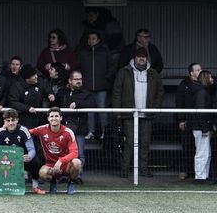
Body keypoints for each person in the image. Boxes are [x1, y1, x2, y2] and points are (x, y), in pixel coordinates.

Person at [112, 47, 164, 178]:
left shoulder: (153, 73)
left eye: (144, 57)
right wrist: (118, 112)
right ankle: (125, 171)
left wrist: (155, 107)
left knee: (145, 143)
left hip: (147, 115)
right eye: (139, 56)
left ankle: (144, 170)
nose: (142, 59)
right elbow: (116, 92)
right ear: (134, 57)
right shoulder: (124, 72)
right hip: (129, 114)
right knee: (129, 142)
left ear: (147, 58)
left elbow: (160, 92)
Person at [0, 109, 45, 194]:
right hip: (7, 161)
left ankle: (35, 186)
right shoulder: (1, 132)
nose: (11, 123)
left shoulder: (23, 130)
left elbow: (32, 149)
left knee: (35, 161)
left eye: (13, 120)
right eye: (8, 121)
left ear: (17, 120)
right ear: (4, 121)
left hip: (22, 160)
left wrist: (29, 156)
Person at [29, 107, 82, 194]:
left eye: (56, 116)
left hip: (66, 165)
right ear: (48, 118)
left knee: (77, 163)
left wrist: (61, 161)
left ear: (61, 118)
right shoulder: (42, 129)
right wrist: (7, 128)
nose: (54, 118)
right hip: (50, 165)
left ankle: (71, 182)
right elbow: (25, 132)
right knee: (42, 173)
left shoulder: (68, 132)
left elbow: (75, 152)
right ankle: (53, 182)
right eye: (52, 116)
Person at [55, 70, 96, 182]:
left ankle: (76, 176)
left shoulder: (86, 93)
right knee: (63, 153)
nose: (79, 81)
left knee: (80, 154)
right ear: (70, 80)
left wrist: (78, 105)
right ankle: (63, 175)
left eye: (80, 79)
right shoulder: (62, 92)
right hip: (63, 129)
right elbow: (54, 106)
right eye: (76, 79)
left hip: (79, 129)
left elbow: (93, 104)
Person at [74, 30, 114, 139]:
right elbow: (77, 67)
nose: (91, 41)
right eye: (89, 38)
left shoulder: (105, 52)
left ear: (98, 40)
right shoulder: (82, 52)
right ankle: (91, 131)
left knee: (102, 108)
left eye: (93, 38)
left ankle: (105, 132)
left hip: (101, 86)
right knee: (89, 110)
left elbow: (111, 67)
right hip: (87, 86)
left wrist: (106, 79)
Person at [175, 63, 201, 180]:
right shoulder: (184, 84)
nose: (200, 71)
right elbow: (179, 103)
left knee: (199, 148)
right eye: (198, 70)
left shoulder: (203, 84)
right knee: (187, 147)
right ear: (191, 72)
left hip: (200, 122)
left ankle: (198, 171)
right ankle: (184, 170)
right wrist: (181, 120)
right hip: (187, 121)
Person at [7, 64, 47, 131]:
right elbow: (13, 102)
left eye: (36, 74)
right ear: (27, 78)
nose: (36, 77)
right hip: (24, 120)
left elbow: (46, 90)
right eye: (33, 76)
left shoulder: (40, 82)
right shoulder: (17, 86)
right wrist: (27, 108)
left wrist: (50, 94)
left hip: (39, 119)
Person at [191, 71, 213, 184]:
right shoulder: (201, 93)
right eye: (210, 77)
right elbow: (200, 112)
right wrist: (204, 128)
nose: (212, 79)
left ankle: (204, 176)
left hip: (203, 127)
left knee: (206, 153)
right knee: (201, 152)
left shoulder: (203, 91)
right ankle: (199, 177)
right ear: (206, 78)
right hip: (200, 128)